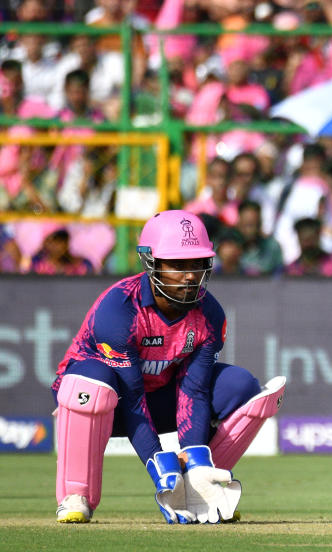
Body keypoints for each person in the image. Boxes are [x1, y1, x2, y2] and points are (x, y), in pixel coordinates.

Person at [50, 210, 285, 524]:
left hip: (159, 399)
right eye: (177, 265)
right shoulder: (119, 309)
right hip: (108, 404)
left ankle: (200, 487)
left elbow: (195, 391)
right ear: (151, 262)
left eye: (196, 264)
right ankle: (75, 495)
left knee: (241, 387)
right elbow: (132, 399)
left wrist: (194, 456)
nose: (189, 276)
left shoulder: (210, 314)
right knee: (92, 385)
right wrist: (159, 465)